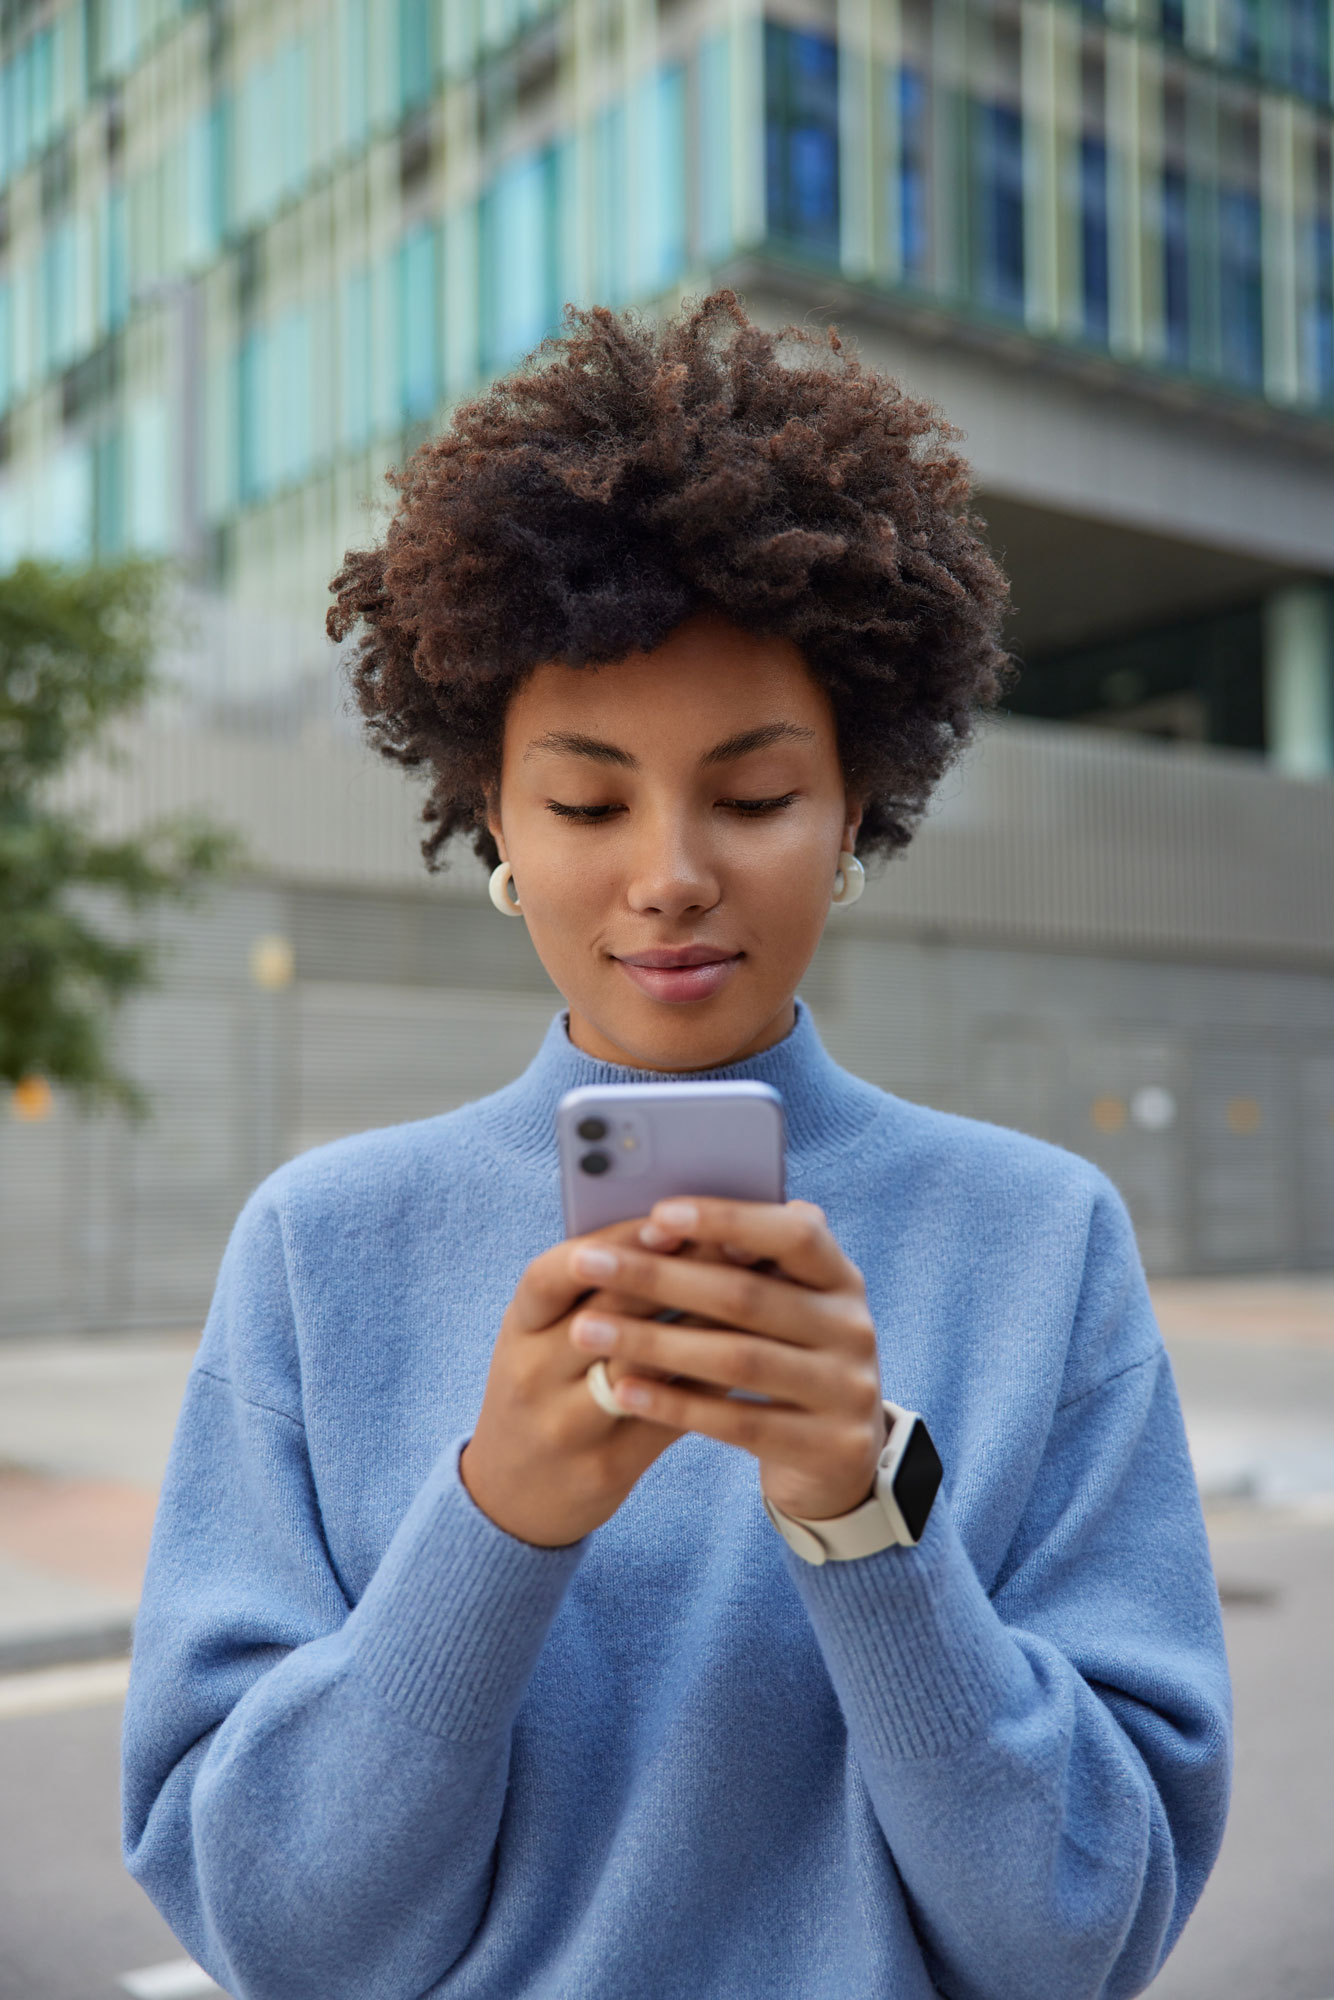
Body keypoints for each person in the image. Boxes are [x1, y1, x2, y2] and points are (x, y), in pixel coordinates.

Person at [123, 293, 1230, 2000]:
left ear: (857, 803)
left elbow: (1075, 1939)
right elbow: (281, 1939)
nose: (668, 873)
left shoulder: (1038, 1238)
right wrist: (495, 1526)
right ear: (485, 811)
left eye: (755, 791)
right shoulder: (319, 1245)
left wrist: (863, 1512)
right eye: (582, 801)